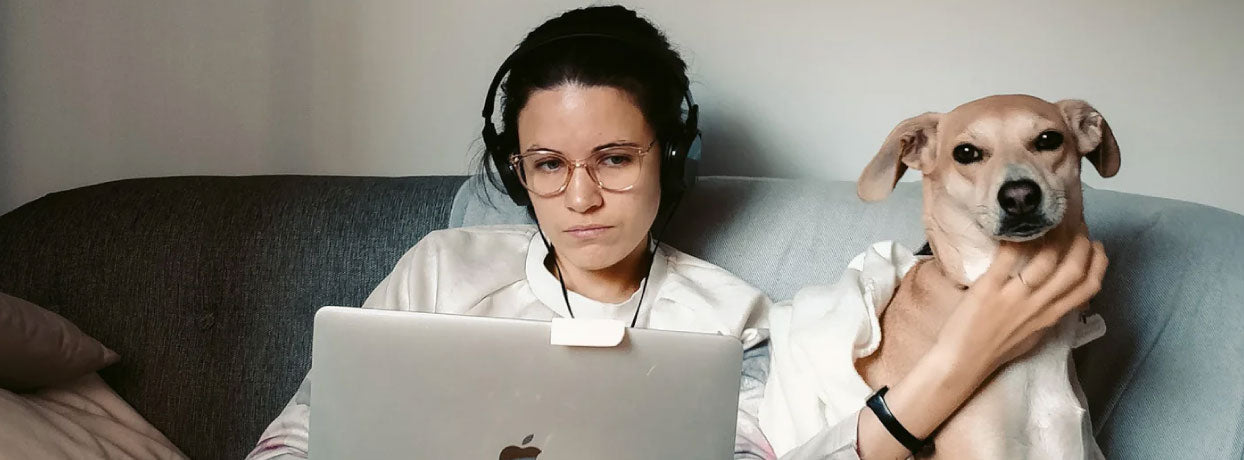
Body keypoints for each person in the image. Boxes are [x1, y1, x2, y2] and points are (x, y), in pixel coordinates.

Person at [246, 6, 775, 459]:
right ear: (514, 173)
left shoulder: (733, 324)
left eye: (614, 159)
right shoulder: (439, 271)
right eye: (548, 164)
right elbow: (296, 439)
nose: (580, 198)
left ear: (675, 160)